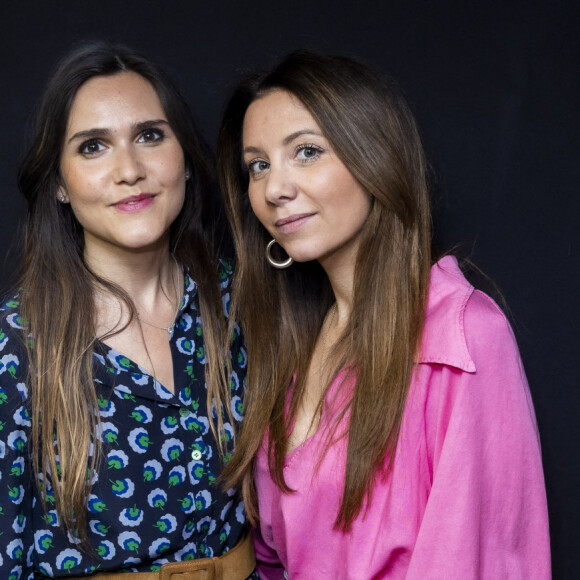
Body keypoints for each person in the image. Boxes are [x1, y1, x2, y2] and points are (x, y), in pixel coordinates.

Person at [217, 51, 551, 579]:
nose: (275, 188)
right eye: (257, 165)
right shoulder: (292, 343)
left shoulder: (460, 337)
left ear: (374, 156)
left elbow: (471, 561)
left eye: (306, 152)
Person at [0, 42, 256, 579]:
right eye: (93, 147)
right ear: (60, 186)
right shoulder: (17, 347)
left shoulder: (242, 304)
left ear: (185, 158)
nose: (130, 169)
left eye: (149, 135)